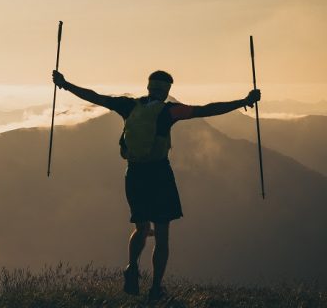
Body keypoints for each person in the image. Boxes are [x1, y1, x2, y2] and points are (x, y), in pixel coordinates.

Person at [52, 70, 261, 301]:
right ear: (167, 91)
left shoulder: (128, 106)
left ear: (149, 87)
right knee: (162, 235)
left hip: (133, 174)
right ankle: (155, 288)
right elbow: (208, 109)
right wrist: (244, 101)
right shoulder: (170, 111)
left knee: (141, 228)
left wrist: (65, 84)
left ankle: (132, 267)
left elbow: (95, 97)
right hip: (159, 174)